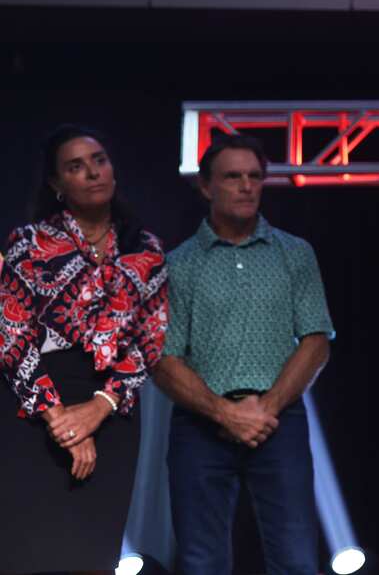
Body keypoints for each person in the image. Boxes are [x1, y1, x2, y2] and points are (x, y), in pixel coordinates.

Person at [153, 134, 333, 575]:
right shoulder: (178, 265)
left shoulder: (294, 253)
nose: (246, 186)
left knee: (296, 559)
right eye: (232, 177)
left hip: (279, 421)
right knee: (201, 562)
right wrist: (223, 413)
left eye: (254, 176)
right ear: (205, 187)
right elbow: (163, 358)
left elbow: (316, 340)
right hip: (199, 425)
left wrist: (265, 408)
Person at [0, 124, 169, 574]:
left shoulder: (145, 249)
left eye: (99, 161)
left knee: (92, 557)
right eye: (76, 166)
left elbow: (149, 341)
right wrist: (60, 420)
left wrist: (98, 408)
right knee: (27, 554)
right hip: (34, 409)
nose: (93, 173)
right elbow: (12, 331)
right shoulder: (29, 242)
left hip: (112, 411)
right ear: (57, 185)